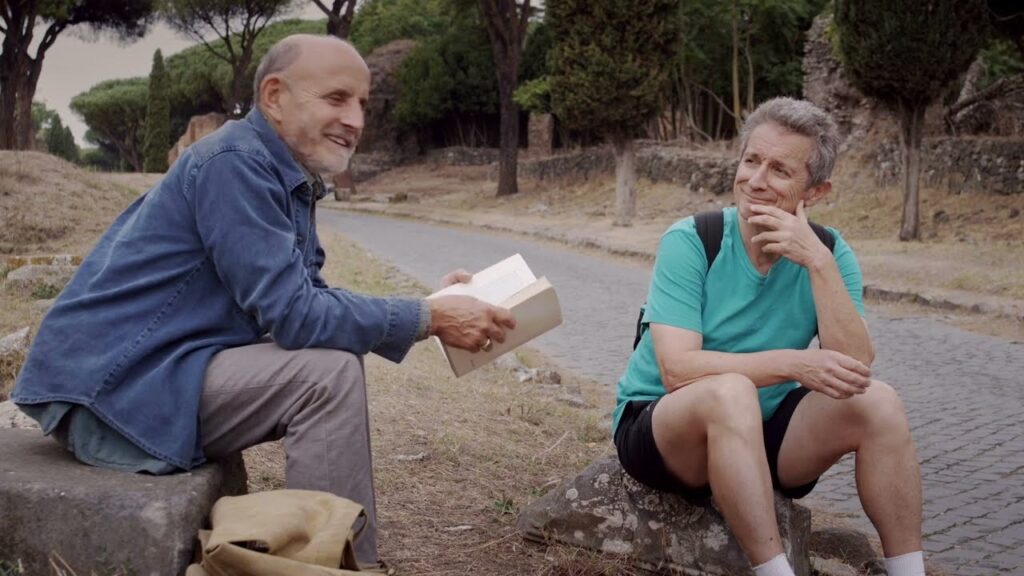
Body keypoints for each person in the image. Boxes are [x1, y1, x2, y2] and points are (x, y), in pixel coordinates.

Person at [12, 34, 514, 569]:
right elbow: (297, 318)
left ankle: (335, 555)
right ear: (274, 96)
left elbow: (307, 299)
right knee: (326, 375)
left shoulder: (281, 171)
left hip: (162, 370)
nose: (356, 120)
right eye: (337, 99)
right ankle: (340, 566)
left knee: (328, 364)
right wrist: (429, 318)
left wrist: (431, 303)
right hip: (116, 389)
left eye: (363, 104)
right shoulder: (235, 163)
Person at [614, 98, 924, 576]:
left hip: (763, 435)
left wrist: (817, 263)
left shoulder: (830, 252)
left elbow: (855, 366)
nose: (755, 180)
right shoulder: (693, 240)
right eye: (751, 160)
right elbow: (678, 371)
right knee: (730, 391)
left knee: (879, 402)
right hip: (665, 431)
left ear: (816, 190)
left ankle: (910, 571)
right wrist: (794, 365)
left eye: (779, 169)